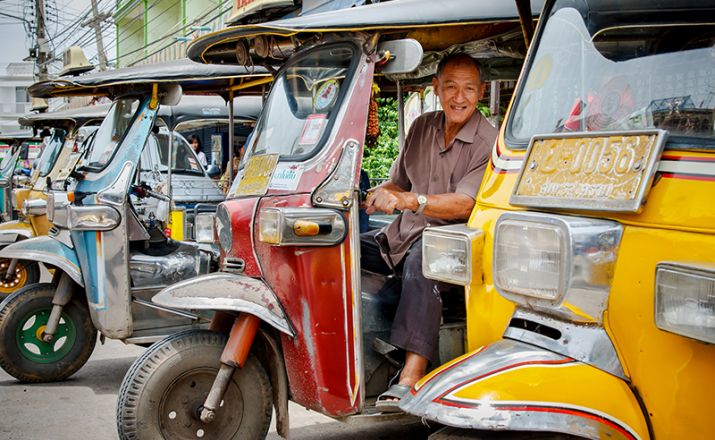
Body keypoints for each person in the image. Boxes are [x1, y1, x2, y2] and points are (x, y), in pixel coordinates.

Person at [362, 52, 498, 411]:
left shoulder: (489, 141)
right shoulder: (422, 126)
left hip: (453, 248)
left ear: (481, 92)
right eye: (451, 87)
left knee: (425, 262)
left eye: (469, 89)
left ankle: (410, 375)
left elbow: (465, 204)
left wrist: (412, 200)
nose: (459, 97)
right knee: (341, 246)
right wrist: (378, 196)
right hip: (401, 236)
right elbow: (398, 183)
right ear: (436, 88)